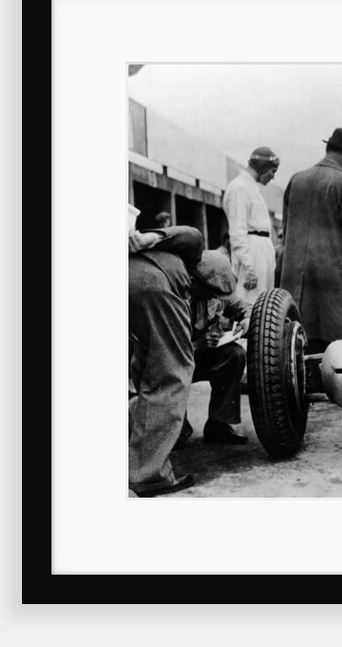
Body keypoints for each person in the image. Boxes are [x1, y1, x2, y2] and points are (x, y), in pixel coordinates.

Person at [279, 127, 342, 353]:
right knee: (340, 354)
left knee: (301, 351)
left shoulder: (296, 180)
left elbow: (285, 233)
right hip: (337, 293)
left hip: (298, 289)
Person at [128, 204, 203, 497]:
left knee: (144, 364)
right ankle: (149, 475)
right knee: (171, 374)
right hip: (153, 286)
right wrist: (154, 237)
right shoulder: (192, 258)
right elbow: (193, 234)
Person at [180, 250, 252, 446]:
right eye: (213, 291)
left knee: (234, 354)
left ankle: (219, 425)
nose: (216, 296)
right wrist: (198, 345)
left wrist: (247, 319)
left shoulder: (215, 294)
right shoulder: (173, 298)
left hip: (197, 360)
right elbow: (164, 353)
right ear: (196, 282)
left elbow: (244, 306)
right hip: (173, 363)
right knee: (175, 439)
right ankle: (175, 427)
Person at [223, 146, 280, 304]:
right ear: (263, 168)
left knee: (264, 306)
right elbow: (237, 232)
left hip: (261, 252)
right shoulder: (239, 187)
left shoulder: (252, 188)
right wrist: (249, 266)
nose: (273, 177)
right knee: (249, 304)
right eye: (272, 171)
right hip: (252, 253)